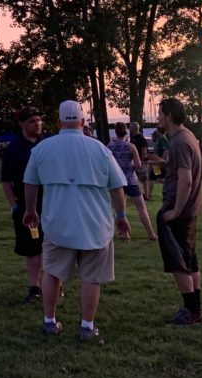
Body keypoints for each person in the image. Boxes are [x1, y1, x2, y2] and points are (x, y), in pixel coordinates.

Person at [22, 100, 130, 342]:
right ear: (82, 121)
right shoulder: (100, 149)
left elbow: (30, 183)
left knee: (51, 272)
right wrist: (121, 216)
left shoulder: (42, 149)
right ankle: (87, 326)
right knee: (91, 278)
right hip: (95, 225)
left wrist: (30, 210)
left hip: (57, 223)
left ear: (59, 122)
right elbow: (117, 186)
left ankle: (49, 321)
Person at [152, 98, 202, 326]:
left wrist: (174, 211)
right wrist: (162, 164)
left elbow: (186, 180)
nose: (158, 118)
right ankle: (194, 308)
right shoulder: (187, 136)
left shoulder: (179, 142)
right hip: (189, 210)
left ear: (169, 116)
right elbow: (182, 168)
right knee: (190, 260)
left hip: (179, 212)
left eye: (160, 114)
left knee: (179, 262)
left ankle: (191, 312)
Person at [0, 105, 46, 303]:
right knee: (32, 247)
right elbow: (6, 180)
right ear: (21, 124)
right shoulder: (13, 149)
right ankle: (34, 286)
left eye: (38, 120)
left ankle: (53, 283)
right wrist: (14, 206)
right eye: (31, 121)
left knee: (54, 246)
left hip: (52, 205)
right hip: (26, 208)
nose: (37, 124)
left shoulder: (49, 143)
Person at [108, 123, 156, 240]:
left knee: (120, 211)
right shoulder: (131, 147)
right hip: (131, 181)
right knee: (141, 209)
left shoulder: (110, 146)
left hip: (117, 182)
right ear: (126, 132)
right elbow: (138, 165)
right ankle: (151, 233)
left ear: (115, 132)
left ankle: (124, 234)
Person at [128, 122, 151, 200]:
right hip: (135, 160)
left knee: (144, 178)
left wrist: (141, 160)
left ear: (134, 128)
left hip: (142, 161)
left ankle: (146, 196)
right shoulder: (133, 137)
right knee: (137, 178)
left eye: (130, 127)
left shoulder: (140, 138)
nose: (129, 129)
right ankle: (140, 194)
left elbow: (144, 150)